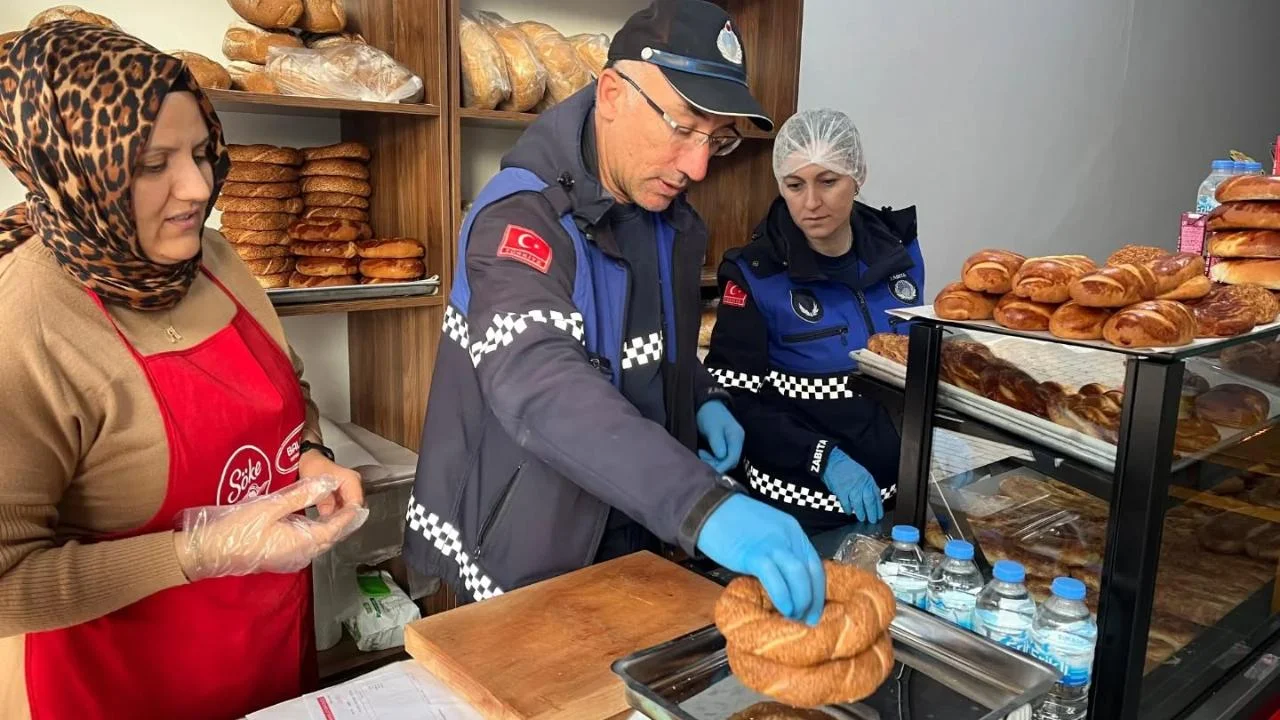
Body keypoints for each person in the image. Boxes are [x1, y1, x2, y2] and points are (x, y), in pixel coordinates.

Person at [404, 0, 826, 625]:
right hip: (529, 548)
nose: (698, 166)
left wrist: (700, 395)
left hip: (635, 530)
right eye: (683, 127)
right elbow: (542, 384)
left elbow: (648, 339)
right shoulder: (521, 219)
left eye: (717, 139)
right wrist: (702, 506)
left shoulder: (666, 217)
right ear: (611, 94)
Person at [0, 23, 367, 720]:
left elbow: (291, 389)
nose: (199, 187)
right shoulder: (27, 319)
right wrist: (196, 552)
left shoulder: (216, 259)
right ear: (73, 168)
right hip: (115, 691)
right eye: (151, 163)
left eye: (201, 152)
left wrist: (310, 457)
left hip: (265, 658)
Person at [704, 109, 926, 531]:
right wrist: (823, 458)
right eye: (795, 185)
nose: (811, 202)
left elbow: (913, 363)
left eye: (827, 181)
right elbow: (735, 401)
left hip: (899, 501)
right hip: (798, 511)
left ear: (857, 176)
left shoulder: (901, 252)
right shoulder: (755, 275)